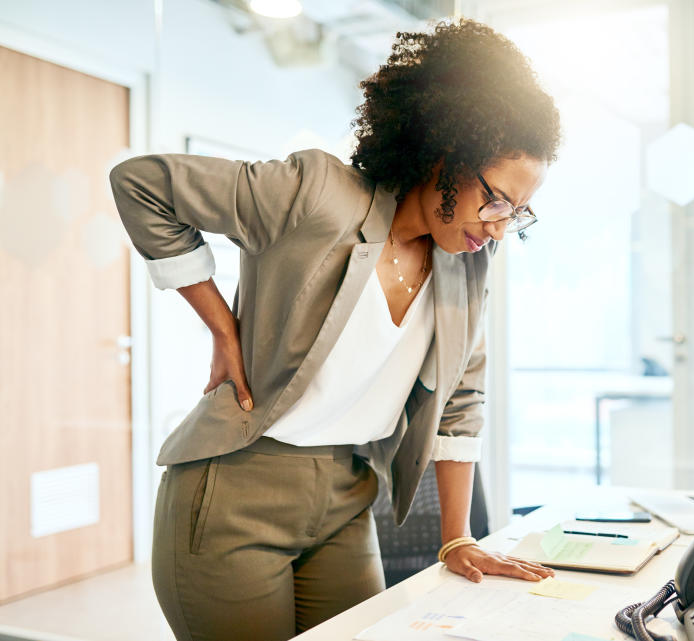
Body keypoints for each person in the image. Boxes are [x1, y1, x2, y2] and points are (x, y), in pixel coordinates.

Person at [109, 16, 562, 641]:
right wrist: (221, 326)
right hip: (235, 494)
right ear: (444, 156)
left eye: (519, 210)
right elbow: (142, 186)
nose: (499, 225)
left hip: (348, 498)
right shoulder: (317, 194)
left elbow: (460, 402)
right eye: (496, 199)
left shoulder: (467, 264)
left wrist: (456, 536)